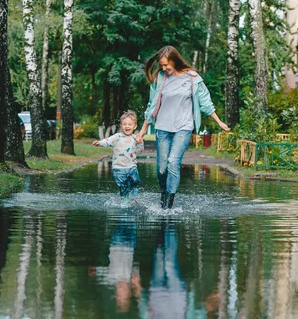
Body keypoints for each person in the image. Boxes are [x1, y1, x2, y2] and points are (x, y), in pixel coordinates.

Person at [136, 45, 230, 209]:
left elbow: (205, 101)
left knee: (173, 162)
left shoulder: (192, 77)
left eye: (166, 65)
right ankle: (164, 193)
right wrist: (143, 130)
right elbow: (152, 105)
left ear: (175, 60)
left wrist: (219, 121)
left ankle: (168, 204)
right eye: (162, 65)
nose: (164, 68)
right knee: (161, 168)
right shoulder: (160, 78)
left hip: (183, 127)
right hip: (162, 127)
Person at [93, 110, 144, 198]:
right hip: (118, 168)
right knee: (123, 186)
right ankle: (125, 200)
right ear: (121, 125)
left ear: (135, 126)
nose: (127, 126)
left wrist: (140, 142)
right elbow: (108, 141)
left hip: (131, 166)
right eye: (124, 124)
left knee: (136, 180)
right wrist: (100, 143)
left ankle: (133, 190)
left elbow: (140, 151)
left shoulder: (135, 138)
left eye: (130, 124)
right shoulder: (117, 137)